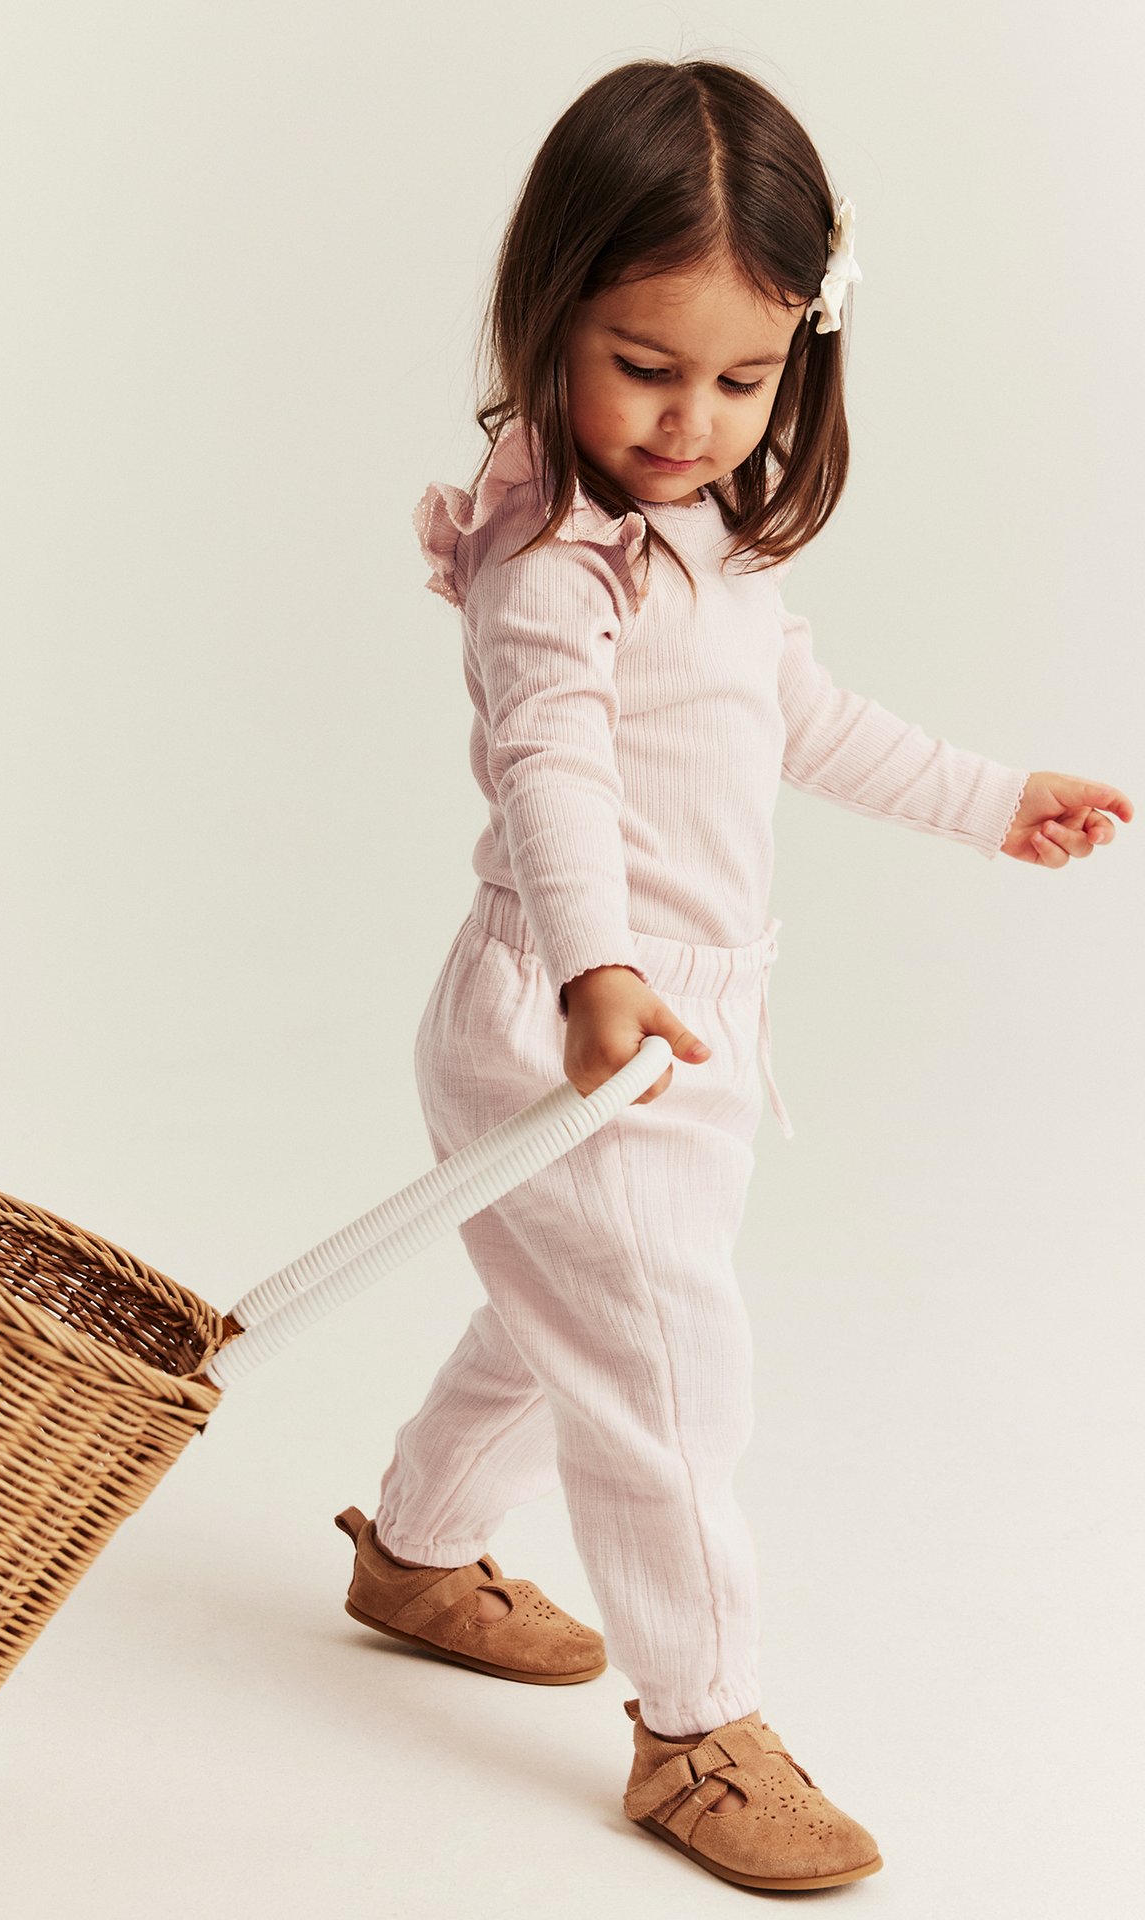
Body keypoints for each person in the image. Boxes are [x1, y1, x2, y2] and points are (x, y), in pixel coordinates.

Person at [334, 57, 1132, 1893]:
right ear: (552, 319)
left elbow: (807, 722)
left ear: (805, 353)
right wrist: (600, 982)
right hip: (575, 1025)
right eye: (645, 366)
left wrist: (994, 801)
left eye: (745, 378)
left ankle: (417, 1548)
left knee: (568, 1327)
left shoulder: (698, 534)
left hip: (657, 1025)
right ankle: (699, 1728)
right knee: (675, 1373)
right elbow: (553, 771)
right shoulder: (555, 567)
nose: (692, 421)